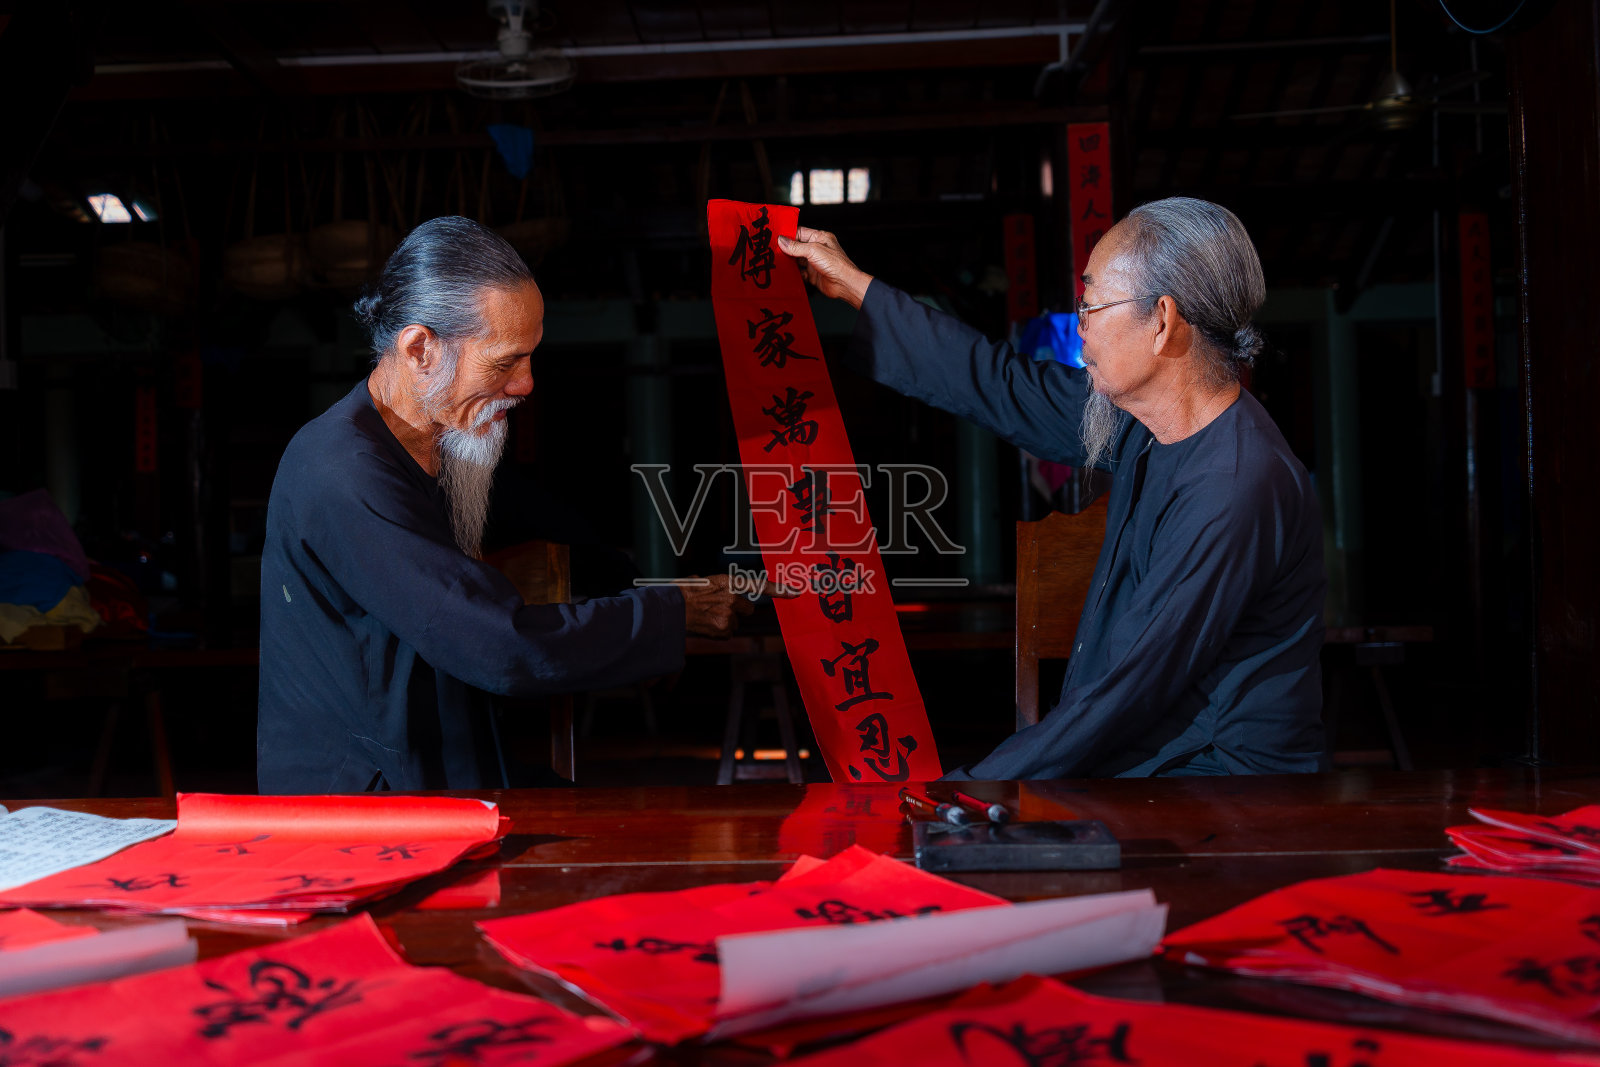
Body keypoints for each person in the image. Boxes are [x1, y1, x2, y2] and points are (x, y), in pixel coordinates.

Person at [779, 197, 1326, 779]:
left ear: (1161, 322)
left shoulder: (1234, 485)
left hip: (1221, 788)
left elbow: (1130, 686)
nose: (1080, 324)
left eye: (1091, 303)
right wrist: (857, 288)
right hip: (1142, 760)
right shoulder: (1148, 422)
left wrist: (964, 795)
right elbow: (1000, 383)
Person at [258, 216, 754, 793]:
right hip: (360, 813)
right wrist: (671, 614)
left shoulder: (445, 446)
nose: (526, 384)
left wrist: (647, 600)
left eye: (530, 357)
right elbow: (497, 643)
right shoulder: (342, 470)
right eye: (504, 362)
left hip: (438, 772)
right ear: (420, 349)